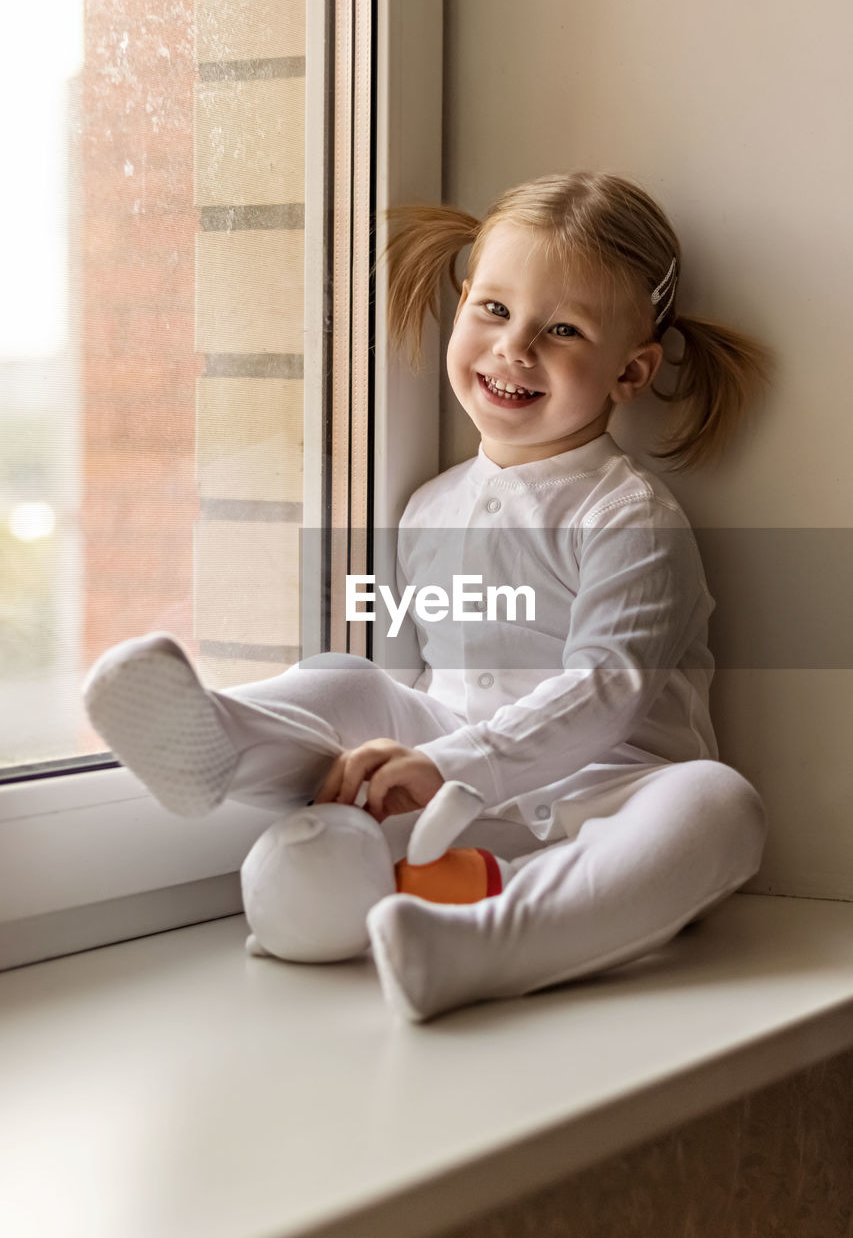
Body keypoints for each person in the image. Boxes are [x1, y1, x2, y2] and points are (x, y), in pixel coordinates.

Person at [84, 172, 770, 1022]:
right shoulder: (428, 506)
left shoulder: (630, 517)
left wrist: (449, 763)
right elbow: (420, 683)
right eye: (492, 310)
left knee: (717, 802)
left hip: (609, 799)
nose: (514, 349)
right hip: (451, 791)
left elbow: (607, 692)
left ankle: (487, 946)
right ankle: (220, 743)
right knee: (352, 678)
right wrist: (397, 759)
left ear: (630, 370)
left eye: (560, 330)